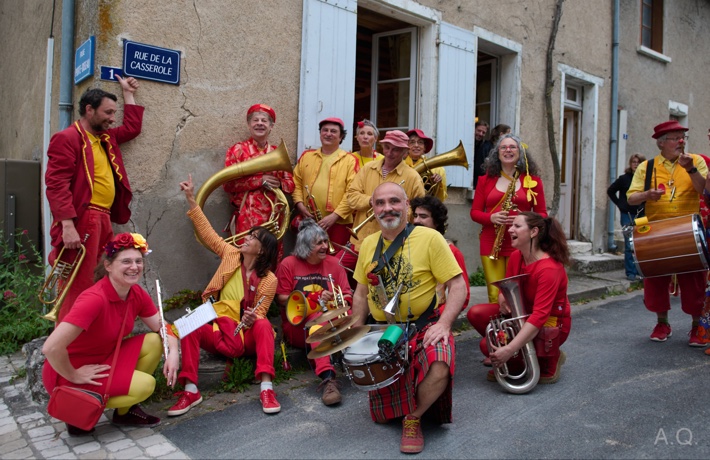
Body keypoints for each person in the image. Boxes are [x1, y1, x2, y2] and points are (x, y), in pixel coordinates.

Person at [351, 182, 467, 454]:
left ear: (406, 206)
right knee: (381, 417)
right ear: (373, 208)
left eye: (394, 201)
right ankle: (400, 404)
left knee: (440, 361)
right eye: (380, 203)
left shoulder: (430, 238)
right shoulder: (368, 244)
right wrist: (354, 331)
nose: (387, 208)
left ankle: (413, 417)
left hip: (424, 325)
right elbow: (360, 293)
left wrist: (444, 324)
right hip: (384, 332)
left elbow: (458, 285)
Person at [42, 233, 178, 436]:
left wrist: (174, 352)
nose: (134, 267)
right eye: (126, 261)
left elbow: (161, 327)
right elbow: (50, 348)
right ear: (108, 266)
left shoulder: (136, 293)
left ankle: (125, 412)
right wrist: (74, 375)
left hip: (105, 359)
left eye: (138, 261)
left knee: (154, 341)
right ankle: (80, 406)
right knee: (146, 385)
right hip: (70, 370)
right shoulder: (94, 299)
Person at [171, 175, 281, 415]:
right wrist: (191, 198)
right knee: (189, 326)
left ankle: (266, 387)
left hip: (246, 335)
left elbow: (260, 313)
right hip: (220, 328)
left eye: (252, 238)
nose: (246, 238)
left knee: (263, 325)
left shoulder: (269, 279)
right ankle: (190, 390)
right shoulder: (231, 255)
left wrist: (252, 318)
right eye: (248, 235)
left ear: (262, 250)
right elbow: (208, 233)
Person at [45, 77, 143, 323]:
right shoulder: (68, 138)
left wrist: (128, 93)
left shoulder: (105, 138)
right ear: (89, 110)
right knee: (79, 281)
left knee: (103, 277)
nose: (112, 118)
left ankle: (92, 334)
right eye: (108, 112)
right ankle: (67, 343)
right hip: (84, 218)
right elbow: (56, 185)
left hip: (104, 218)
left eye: (114, 112)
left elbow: (132, 128)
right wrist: (67, 225)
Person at [627, 120, 709, 346]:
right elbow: (630, 197)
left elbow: (704, 190)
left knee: (694, 281)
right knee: (655, 280)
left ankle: (696, 326)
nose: (681, 141)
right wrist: (646, 195)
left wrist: (690, 168)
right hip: (655, 230)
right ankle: (662, 322)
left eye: (683, 137)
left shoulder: (697, 161)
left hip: (687, 230)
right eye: (675, 137)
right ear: (661, 143)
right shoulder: (647, 167)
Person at [467, 212, 571, 385]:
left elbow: (539, 317)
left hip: (548, 325)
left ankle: (549, 358)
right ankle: (516, 358)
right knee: (476, 313)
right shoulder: (517, 256)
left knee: (487, 347)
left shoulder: (550, 269)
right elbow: (504, 289)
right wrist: (502, 300)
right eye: (511, 225)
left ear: (533, 232)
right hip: (523, 315)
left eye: (517, 226)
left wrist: (509, 349)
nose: (510, 230)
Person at [275, 219, 353, 406]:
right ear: (305, 245)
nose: (325, 246)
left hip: (330, 324)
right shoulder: (289, 263)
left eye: (325, 241)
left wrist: (334, 301)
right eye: (319, 243)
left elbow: (347, 297)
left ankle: (337, 373)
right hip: (297, 328)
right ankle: (329, 379)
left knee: (322, 320)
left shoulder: (334, 264)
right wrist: (311, 296)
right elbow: (281, 298)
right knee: (317, 319)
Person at [470, 134, 547, 303]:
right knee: (494, 295)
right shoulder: (485, 180)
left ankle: (519, 328)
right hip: (491, 241)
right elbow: (475, 212)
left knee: (518, 293)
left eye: (512, 147)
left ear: (520, 153)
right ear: (497, 153)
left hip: (521, 242)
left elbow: (542, 214)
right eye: (503, 147)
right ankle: (499, 329)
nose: (508, 150)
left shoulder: (533, 181)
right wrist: (492, 218)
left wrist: (524, 221)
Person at [343, 130, 425, 276]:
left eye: (396, 149)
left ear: (405, 152)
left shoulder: (413, 177)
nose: (390, 152)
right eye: (387, 147)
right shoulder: (368, 169)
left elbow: (417, 211)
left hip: (391, 244)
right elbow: (351, 197)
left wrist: (393, 211)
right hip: (360, 240)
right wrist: (371, 201)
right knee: (339, 271)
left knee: (378, 284)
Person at [222, 104, 295, 260]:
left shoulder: (277, 153)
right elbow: (227, 185)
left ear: (271, 126)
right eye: (255, 120)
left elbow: (290, 186)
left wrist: (279, 183)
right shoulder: (237, 150)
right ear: (249, 125)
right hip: (246, 219)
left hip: (273, 219)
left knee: (270, 262)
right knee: (245, 261)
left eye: (264, 121)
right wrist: (259, 180)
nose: (260, 123)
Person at [292, 117, 359, 248]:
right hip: (309, 221)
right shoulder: (307, 156)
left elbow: (352, 192)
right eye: (325, 130)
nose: (328, 134)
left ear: (341, 137)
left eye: (333, 131)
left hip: (338, 223)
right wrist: (300, 205)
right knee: (307, 256)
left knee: (333, 261)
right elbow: (296, 183)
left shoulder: (350, 160)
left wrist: (335, 216)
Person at [410, 195, 470, 312]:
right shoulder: (407, 245)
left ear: (437, 222)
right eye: (415, 216)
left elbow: (463, 295)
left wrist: (440, 318)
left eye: (423, 216)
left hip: (433, 318)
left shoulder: (451, 251)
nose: (417, 221)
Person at [607, 153, 646, 281]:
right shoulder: (624, 179)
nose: (636, 164)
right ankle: (630, 272)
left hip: (641, 214)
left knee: (640, 243)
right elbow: (611, 191)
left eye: (639, 162)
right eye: (634, 162)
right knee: (629, 243)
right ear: (630, 164)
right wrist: (620, 204)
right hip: (627, 214)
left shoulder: (646, 179)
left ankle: (640, 270)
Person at [405, 129, 448, 202]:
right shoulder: (399, 166)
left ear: (424, 147)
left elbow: (441, 199)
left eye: (420, 142)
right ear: (406, 146)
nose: (416, 145)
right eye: (412, 142)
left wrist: (438, 184)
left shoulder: (438, 169)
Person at [472, 120, 492, 189]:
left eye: (483, 133)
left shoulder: (486, 146)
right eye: (478, 131)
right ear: (473, 129)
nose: (481, 134)